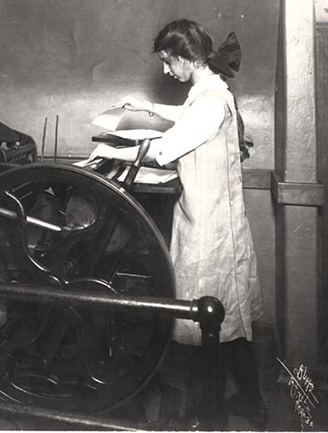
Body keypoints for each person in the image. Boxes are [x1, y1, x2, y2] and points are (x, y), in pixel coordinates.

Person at [89, 19, 266, 429]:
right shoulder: (209, 91)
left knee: (209, 316)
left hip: (210, 226)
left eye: (169, 62)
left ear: (188, 58)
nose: (167, 71)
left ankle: (210, 416)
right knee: (231, 317)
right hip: (212, 217)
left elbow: (167, 150)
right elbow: (180, 114)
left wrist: (110, 150)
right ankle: (252, 404)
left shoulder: (209, 102)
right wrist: (145, 106)